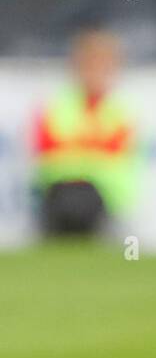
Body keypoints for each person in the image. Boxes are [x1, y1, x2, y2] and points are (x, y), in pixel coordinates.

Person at [32, 30, 139, 237]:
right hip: (58, 196)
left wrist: (78, 152)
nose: (94, 72)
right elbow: (47, 152)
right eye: (89, 65)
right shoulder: (56, 106)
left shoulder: (121, 110)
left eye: (101, 65)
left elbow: (117, 154)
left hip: (104, 201)